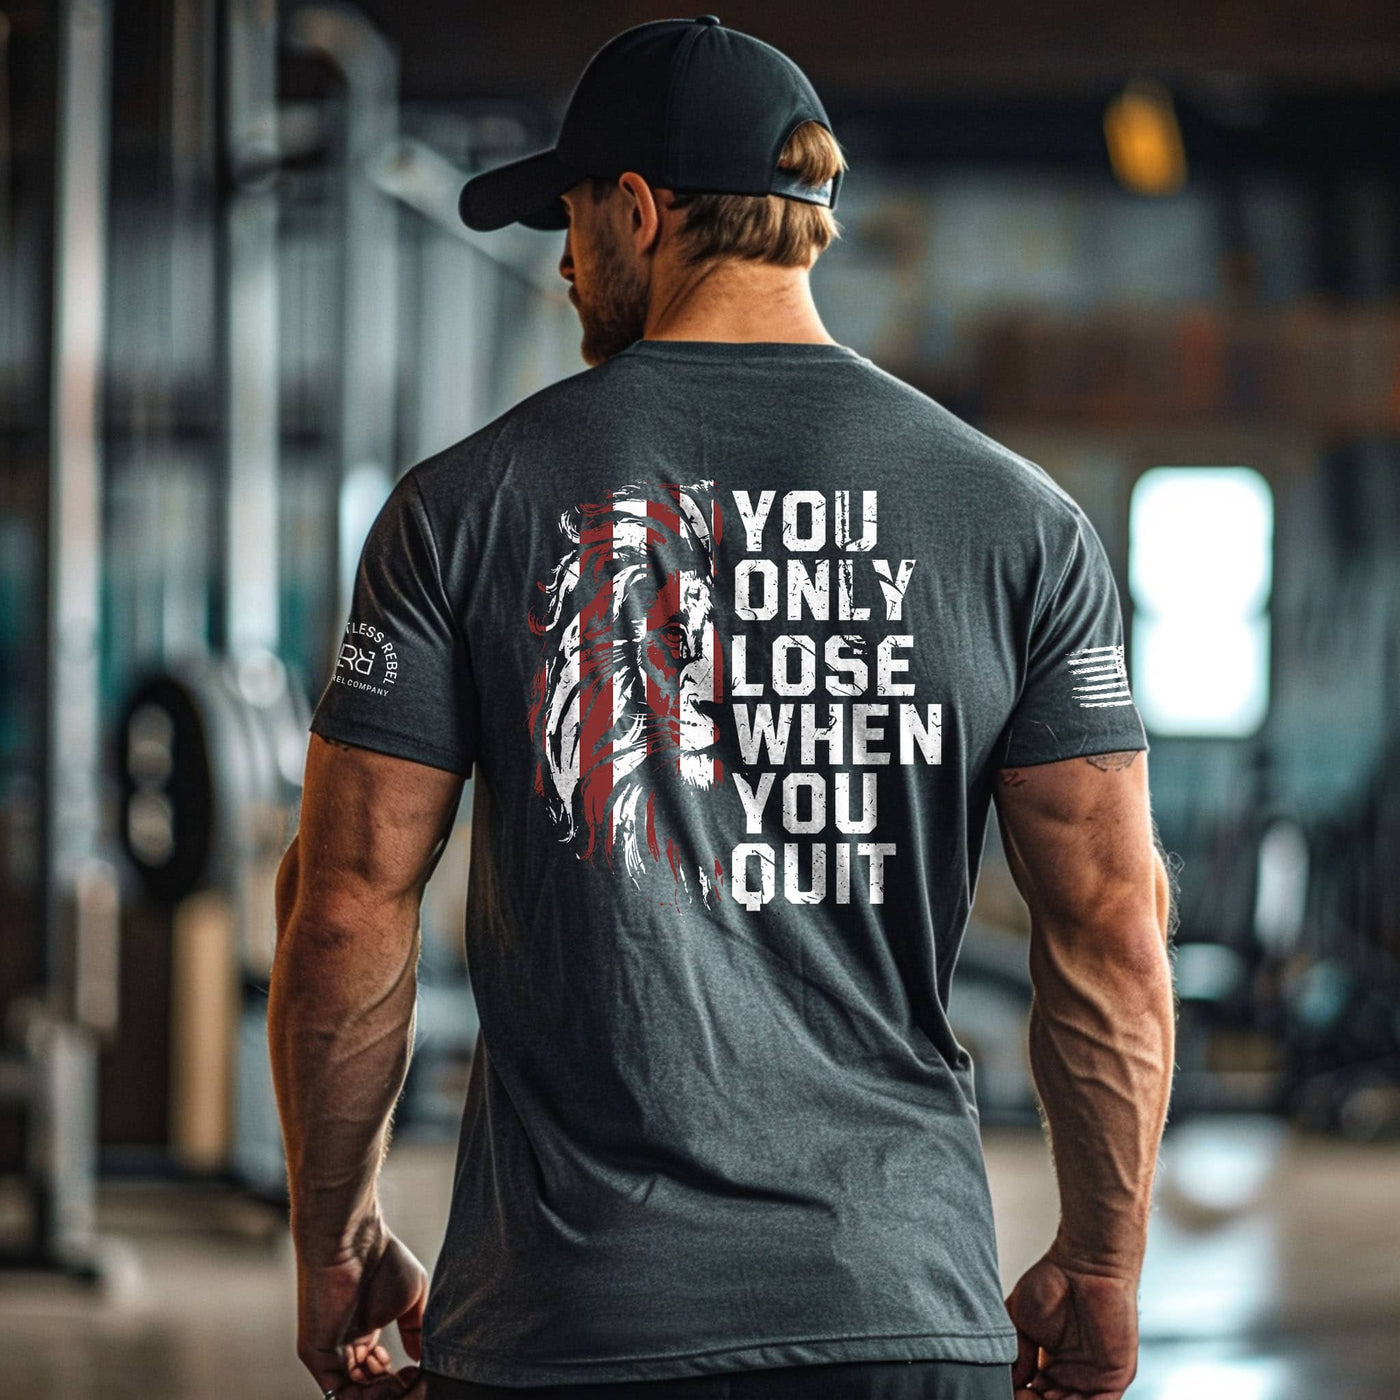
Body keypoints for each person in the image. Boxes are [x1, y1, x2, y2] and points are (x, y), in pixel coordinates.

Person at [268, 15, 1176, 1400]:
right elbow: (1113, 925)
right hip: (894, 1313)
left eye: (571, 223)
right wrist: (1104, 1264)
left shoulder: (463, 507)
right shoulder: (1022, 526)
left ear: (638, 210)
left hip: (570, 1329)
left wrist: (334, 1239)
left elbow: (343, 908)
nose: (567, 266)